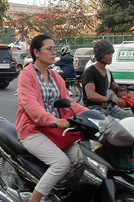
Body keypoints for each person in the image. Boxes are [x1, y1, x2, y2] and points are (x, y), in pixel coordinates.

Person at [16, 35, 88, 202]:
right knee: (61, 163)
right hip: (32, 130)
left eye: (54, 49)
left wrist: (91, 115)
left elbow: (69, 103)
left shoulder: (56, 77)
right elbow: (30, 104)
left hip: (56, 130)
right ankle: (34, 199)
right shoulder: (27, 75)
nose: (54, 52)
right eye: (49, 49)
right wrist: (52, 120)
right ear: (36, 52)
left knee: (81, 159)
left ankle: (61, 192)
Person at [82, 39, 134, 119]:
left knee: (132, 119)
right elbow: (90, 95)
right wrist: (110, 100)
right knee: (115, 125)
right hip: (94, 109)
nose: (111, 56)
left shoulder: (108, 72)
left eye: (111, 53)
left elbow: (118, 91)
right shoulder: (89, 72)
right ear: (100, 55)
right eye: (108, 53)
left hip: (108, 107)